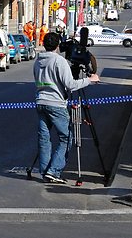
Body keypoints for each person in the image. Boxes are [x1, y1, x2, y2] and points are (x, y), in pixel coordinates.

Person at [34, 32, 100, 184]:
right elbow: (70, 85)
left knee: (44, 138)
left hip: (41, 102)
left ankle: (45, 172)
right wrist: (89, 80)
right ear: (57, 45)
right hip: (56, 104)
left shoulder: (38, 61)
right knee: (66, 138)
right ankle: (54, 171)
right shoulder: (59, 61)